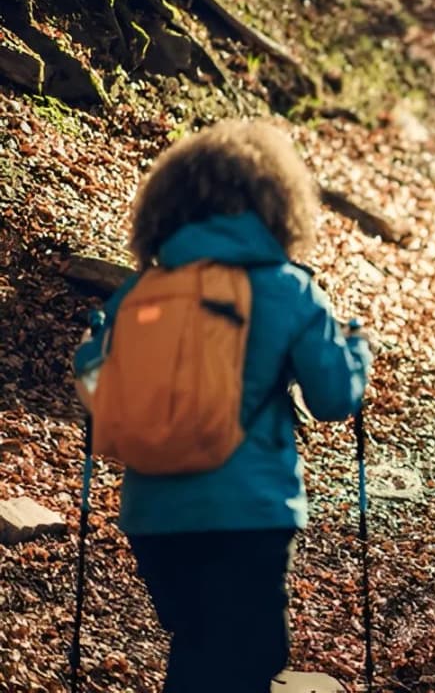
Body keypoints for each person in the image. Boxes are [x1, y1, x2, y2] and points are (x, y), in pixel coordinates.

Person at [72, 120, 371, 691]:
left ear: (167, 205)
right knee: (244, 663)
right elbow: (334, 398)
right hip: (247, 511)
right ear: (275, 203)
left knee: (199, 649)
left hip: (152, 514)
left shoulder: (139, 293)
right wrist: (357, 350)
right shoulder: (287, 288)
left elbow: (96, 381)